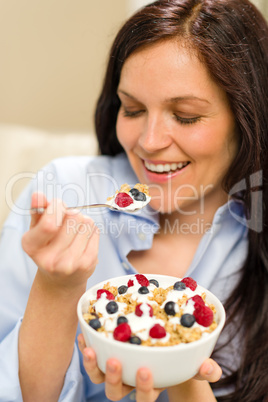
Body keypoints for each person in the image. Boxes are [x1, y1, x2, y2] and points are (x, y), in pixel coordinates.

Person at [0, 0, 267, 401]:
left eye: (187, 115)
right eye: (133, 109)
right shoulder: (65, 187)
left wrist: (182, 373)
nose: (149, 143)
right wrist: (56, 290)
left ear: (247, 118)